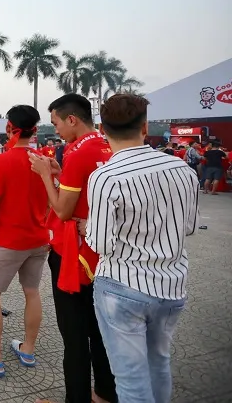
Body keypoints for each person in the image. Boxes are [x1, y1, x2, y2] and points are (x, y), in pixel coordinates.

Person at [87, 94, 198, 403]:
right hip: (171, 285)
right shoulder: (182, 170)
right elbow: (188, 226)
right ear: (145, 127)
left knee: (131, 379)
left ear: (102, 129)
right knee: (159, 365)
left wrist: (85, 230)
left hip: (122, 286)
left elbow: (101, 243)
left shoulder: (105, 176)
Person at [28, 94, 116, 403]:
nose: (57, 131)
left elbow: (63, 210)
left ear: (72, 119)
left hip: (74, 253)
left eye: (56, 123)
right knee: (101, 328)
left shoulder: (78, 153)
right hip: (103, 253)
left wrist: (44, 176)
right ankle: (105, 391)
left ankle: (76, 397)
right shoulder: (108, 146)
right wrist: (57, 171)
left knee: (75, 333)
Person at [0, 105, 49, 379]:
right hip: (38, 239)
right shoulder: (45, 161)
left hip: (7, 240)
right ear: (35, 130)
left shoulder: (0, 161)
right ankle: (27, 350)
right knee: (32, 292)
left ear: (9, 128)